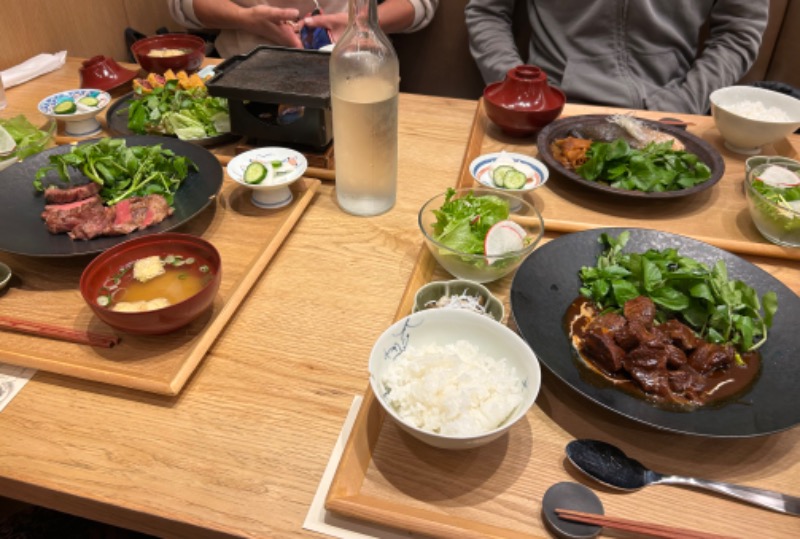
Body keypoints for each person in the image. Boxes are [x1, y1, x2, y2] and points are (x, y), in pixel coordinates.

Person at [465, 0, 769, 114]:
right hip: (556, 111)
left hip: (674, 113)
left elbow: (739, 32)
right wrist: (522, 97)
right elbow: (487, 12)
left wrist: (684, 103)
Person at [168, 0, 439, 59]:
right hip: (243, 72)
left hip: (354, 73)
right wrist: (244, 18)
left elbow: (421, 4)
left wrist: (360, 20)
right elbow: (181, 5)